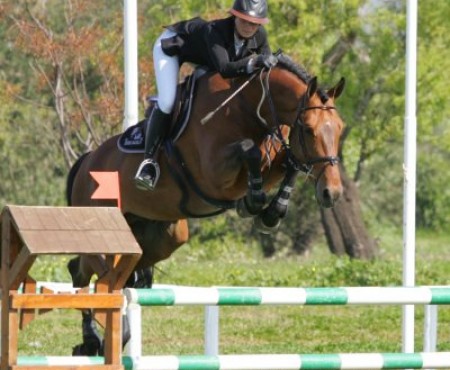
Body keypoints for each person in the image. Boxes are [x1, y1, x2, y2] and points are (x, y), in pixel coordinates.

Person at [134, 0, 278, 191]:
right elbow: (225, 69)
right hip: (172, 48)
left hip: (206, 60)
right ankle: (149, 163)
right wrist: (257, 60)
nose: (249, 26)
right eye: (244, 20)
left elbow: (264, 71)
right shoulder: (215, 31)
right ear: (235, 16)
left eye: (254, 23)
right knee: (168, 101)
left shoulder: (260, 36)